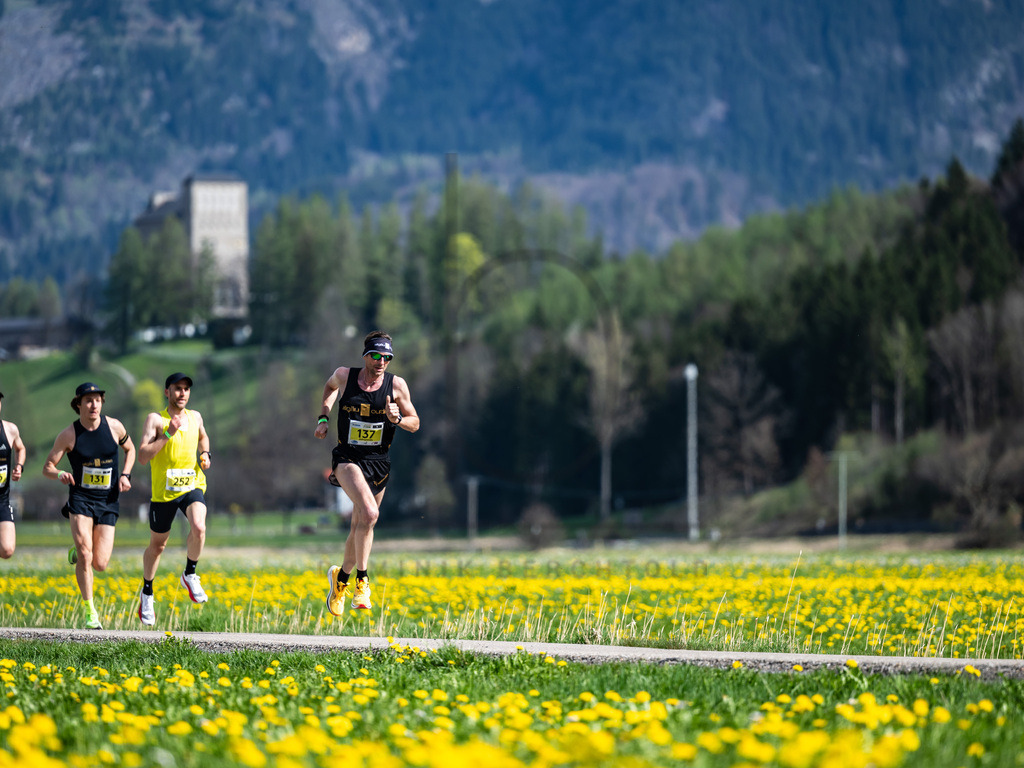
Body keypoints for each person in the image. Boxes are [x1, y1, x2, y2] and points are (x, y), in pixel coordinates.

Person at [314, 331, 419, 614]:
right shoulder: (345, 376)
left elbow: (415, 422)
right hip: (348, 457)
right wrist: (324, 418)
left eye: (387, 358)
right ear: (365, 356)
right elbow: (329, 389)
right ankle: (362, 582)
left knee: (361, 524)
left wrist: (398, 419)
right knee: (371, 514)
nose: (381, 362)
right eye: (376, 356)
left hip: (378, 460)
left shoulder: (397, 386)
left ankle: (340, 580)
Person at [42, 383, 135, 630]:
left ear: (102, 403)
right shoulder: (69, 435)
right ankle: (90, 611)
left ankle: (77, 551)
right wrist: (60, 473)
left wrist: (126, 474)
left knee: (100, 563)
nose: (93, 405)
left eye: (97, 400)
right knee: (86, 555)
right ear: (79, 405)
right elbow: (47, 467)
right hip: (81, 499)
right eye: (88, 401)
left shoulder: (114, 427)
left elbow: (131, 449)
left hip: (108, 500)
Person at [135, 372, 212, 626]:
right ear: (167, 392)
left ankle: (190, 573)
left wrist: (205, 454)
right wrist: (167, 434)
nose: (183, 393)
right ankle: (147, 592)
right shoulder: (156, 420)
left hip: (191, 484)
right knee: (158, 546)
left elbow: (202, 436)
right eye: (177, 389)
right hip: (164, 493)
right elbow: (143, 457)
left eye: (187, 389)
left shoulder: (196, 416)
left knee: (199, 527)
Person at [0, 390, 27, 561]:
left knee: (7, 550)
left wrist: (19, 466)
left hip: (1, 500)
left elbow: (20, 448)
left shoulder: (9, 429)